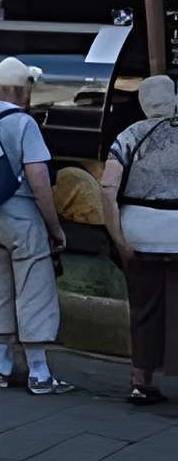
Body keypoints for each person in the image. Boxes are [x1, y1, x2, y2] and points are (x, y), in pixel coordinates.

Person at [0, 55, 71, 395]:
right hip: (22, 217)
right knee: (34, 289)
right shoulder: (24, 124)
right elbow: (38, 177)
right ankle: (39, 372)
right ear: (22, 89)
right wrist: (54, 226)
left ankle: (2, 367)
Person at [99, 74, 178, 407]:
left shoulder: (129, 135)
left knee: (144, 308)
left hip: (140, 233)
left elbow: (107, 189)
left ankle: (140, 381)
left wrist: (119, 238)